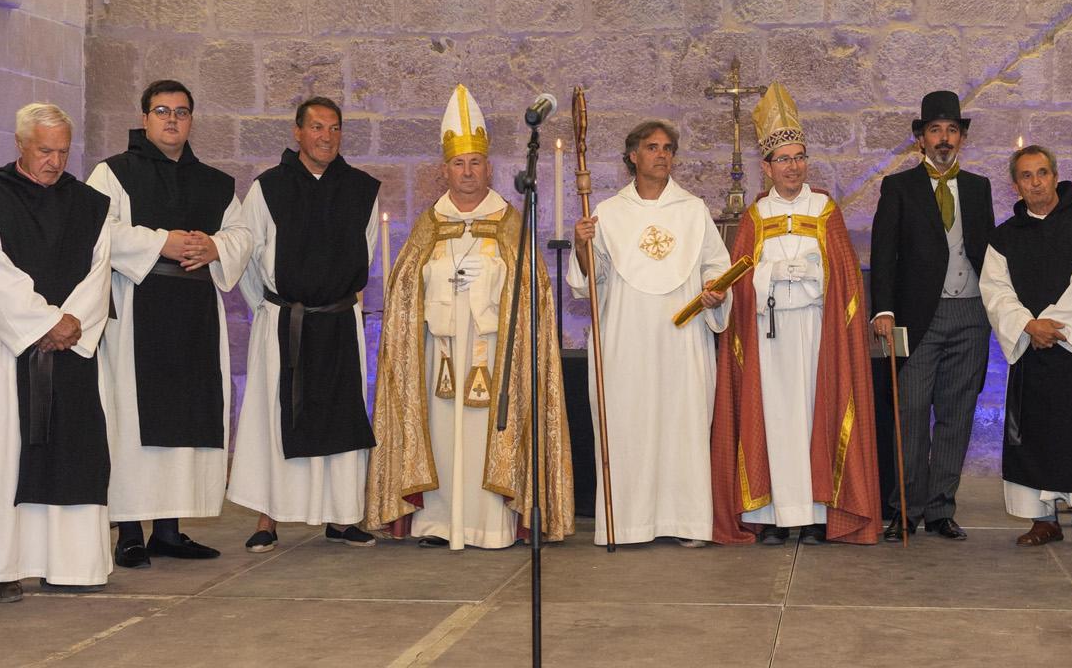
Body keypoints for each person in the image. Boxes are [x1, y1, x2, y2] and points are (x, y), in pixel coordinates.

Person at [366, 85, 574, 548]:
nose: (467, 172)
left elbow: (533, 294)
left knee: (485, 436)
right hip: (438, 354)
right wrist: (438, 280)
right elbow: (404, 294)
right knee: (441, 435)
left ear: (489, 168)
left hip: (495, 353)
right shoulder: (428, 225)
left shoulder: (511, 223)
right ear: (444, 170)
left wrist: (497, 280)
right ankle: (440, 523)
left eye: (475, 162)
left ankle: (489, 526)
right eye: (458, 163)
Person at [89, 80, 252, 566]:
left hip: (195, 310)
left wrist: (216, 246)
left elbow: (243, 234)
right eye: (162, 111)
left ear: (191, 120)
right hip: (137, 308)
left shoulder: (214, 182)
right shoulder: (113, 173)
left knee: (186, 420)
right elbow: (97, 229)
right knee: (133, 422)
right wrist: (161, 242)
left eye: (181, 112)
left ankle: (169, 530)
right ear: (144, 118)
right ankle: (129, 533)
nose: (172, 120)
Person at [711, 84, 880, 546]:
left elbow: (845, 276)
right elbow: (739, 276)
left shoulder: (824, 209)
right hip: (768, 335)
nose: (793, 166)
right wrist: (770, 274)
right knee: (773, 417)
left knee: (813, 416)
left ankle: (814, 514)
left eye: (800, 157)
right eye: (783, 160)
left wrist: (810, 274)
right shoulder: (756, 215)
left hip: (814, 331)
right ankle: (773, 515)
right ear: (766, 167)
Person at [0, 104, 113, 600]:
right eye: (45, 150)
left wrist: (70, 323)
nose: (55, 161)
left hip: (73, 347)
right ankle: (1, 567)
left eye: (63, 151)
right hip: (6, 347)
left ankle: (72, 564)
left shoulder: (90, 204)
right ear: (20, 145)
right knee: (2, 452)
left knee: (75, 452)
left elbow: (100, 272)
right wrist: (44, 323)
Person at [570, 120, 732, 546]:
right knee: (629, 426)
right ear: (633, 156)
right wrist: (582, 246)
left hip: (682, 337)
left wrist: (714, 291)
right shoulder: (607, 212)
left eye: (668, 148)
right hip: (627, 338)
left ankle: (687, 522)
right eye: (652, 147)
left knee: (683, 426)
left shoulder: (693, 210)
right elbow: (590, 282)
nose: (662, 155)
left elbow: (716, 266)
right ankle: (627, 524)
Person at [229, 97, 380, 550]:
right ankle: (267, 518)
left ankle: (343, 517)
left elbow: (367, 251)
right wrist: (272, 307)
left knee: (340, 418)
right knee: (276, 421)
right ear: (297, 132)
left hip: (338, 323)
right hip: (284, 324)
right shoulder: (268, 188)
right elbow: (250, 256)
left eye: (334, 128)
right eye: (316, 127)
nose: (326, 137)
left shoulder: (361, 190)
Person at [979, 145, 1072, 551]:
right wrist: (1027, 325)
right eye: (1026, 176)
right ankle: (1042, 519)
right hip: (1029, 350)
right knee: (1033, 435)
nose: (1036, 182)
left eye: (1042, 173)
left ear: (1056, 176)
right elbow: (995, 290)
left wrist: (1052, 327)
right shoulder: (1004, 238)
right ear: (1016, 185)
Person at [868, 90, 994, 542]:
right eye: (935, 130)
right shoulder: (898, 187)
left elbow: (989, 252)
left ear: (961, 138)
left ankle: (941, 510)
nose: (944, 138)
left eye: (952, 130)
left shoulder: (979, 187)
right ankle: (905, 509)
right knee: (912, 412)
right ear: (921, 139)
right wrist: (883, 310)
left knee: (957, 414)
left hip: (971, 314)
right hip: (919, 317)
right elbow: (884, 254)